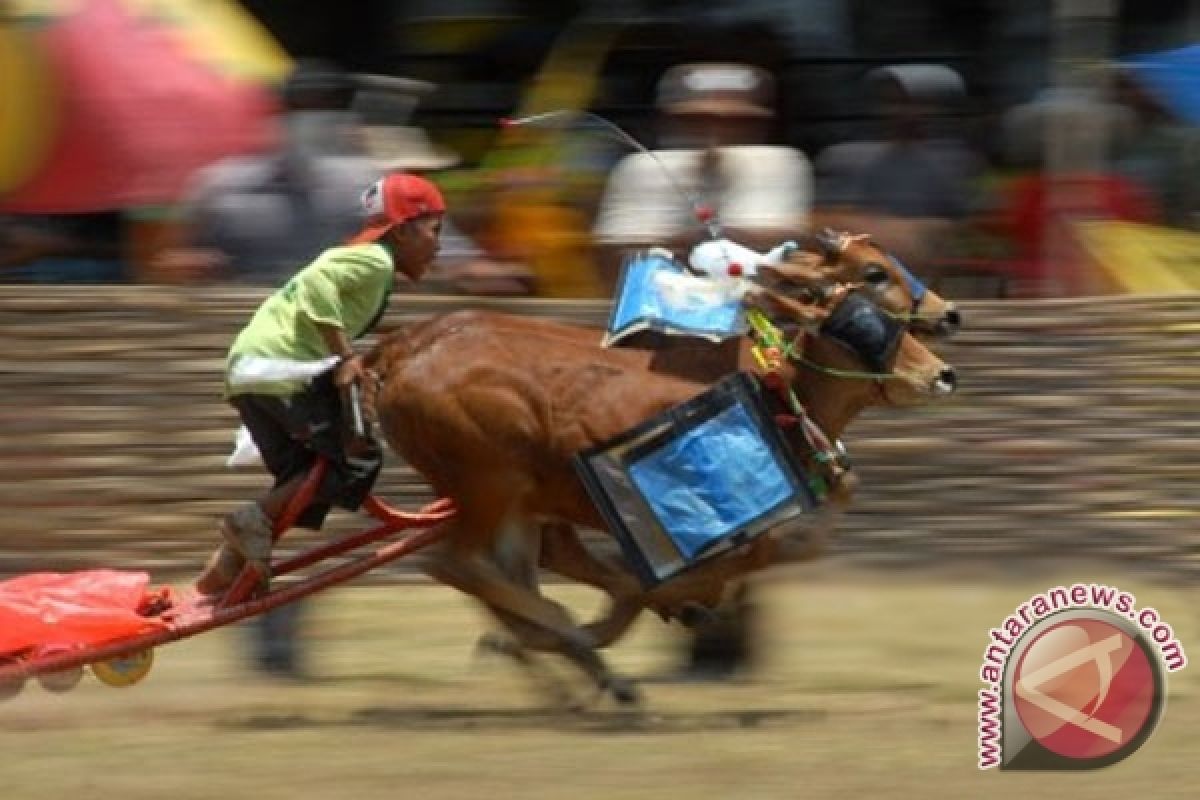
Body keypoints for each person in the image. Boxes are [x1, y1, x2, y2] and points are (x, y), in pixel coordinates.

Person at [194, 171, 445, 598]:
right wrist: (346, 356)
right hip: (280, 370)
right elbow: (317, 283)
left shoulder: (372, 265)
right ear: (402, 231)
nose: (439, 245)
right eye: (434, 230)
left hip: (255, 371)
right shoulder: (373, 260)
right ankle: (247, 523)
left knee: (306, 477)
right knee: (354, 458)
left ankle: (225, 568)